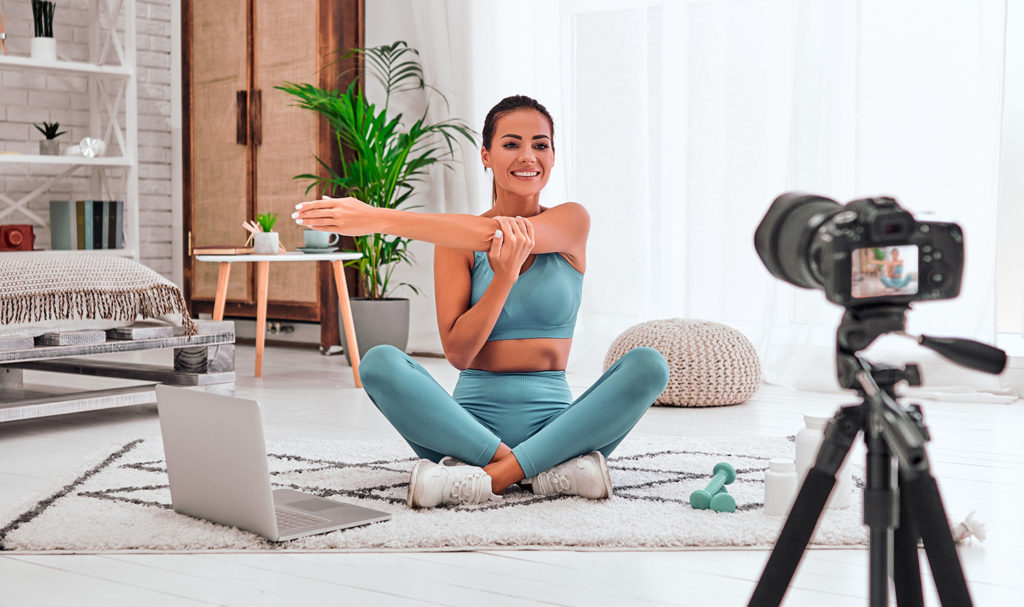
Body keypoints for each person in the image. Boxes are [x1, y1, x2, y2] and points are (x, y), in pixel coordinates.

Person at [292, 95, 669, 508]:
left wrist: (379, 219)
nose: (528, 156)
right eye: (511, 144)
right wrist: (502, 279)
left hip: (559, 428)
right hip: (467, 430)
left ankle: (490, 479)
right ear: (486, 155)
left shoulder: (572, 221)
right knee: (379, 362)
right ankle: (539, 470)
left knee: (649, 364)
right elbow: (459, 353)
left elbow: (507, 236)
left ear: (554, 156)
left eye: (540, 145)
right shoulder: (456, 243)